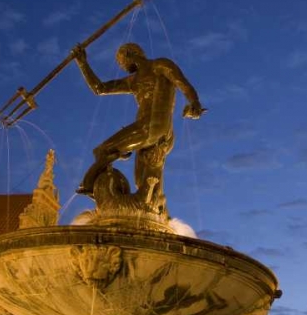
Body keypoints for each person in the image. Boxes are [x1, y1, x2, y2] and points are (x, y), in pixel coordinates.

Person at [71, 41, 206, 202]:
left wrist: (195, 102)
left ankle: (89, 185)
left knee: (102, 151)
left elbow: (182, 83)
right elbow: (100, 88)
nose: (121, 66)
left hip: (152, 126)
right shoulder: (133, 81)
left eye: (120, 61)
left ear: (129, 54)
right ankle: (145, 208)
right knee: (142, 184)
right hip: (151, 130)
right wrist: (82, 63)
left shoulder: (159, 65)